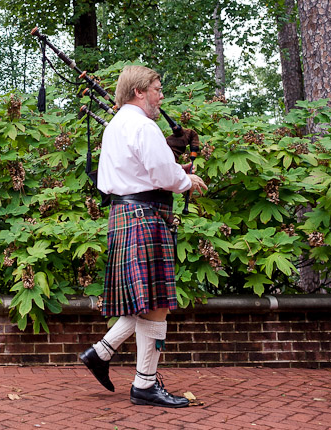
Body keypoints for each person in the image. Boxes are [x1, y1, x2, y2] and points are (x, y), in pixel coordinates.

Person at [79, 65, 207, 408]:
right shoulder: (143, 126)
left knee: (145, 301)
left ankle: (100, 354)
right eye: (157, 89)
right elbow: (162, 174)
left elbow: (139, 170)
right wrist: (186, 180)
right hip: (145, 217)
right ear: (139, 92)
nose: (160, 96)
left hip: (124, 215)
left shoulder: (117, 126)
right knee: (157, 305)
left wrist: (175, 171)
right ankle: (145, 385)